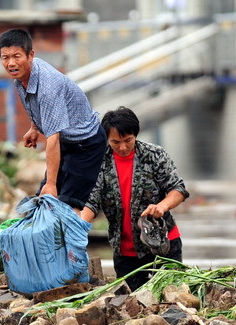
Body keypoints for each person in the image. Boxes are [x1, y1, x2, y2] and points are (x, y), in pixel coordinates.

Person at [80, 107, 189, 291]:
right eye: (115, 142)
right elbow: (92, 201)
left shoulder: (154, 155)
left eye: (127, 141)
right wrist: (78, 229)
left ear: (135, 135)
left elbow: (178, 189)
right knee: (132, 305)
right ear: (107, 139)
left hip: (163, 245)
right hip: (125, 253)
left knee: (171, 301)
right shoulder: (100, 162)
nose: (122, 147)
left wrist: (161, 207)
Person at [0, 28, 106, 211]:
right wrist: (34, 127)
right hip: (67, 143)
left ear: (30, 55)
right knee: (44, 203)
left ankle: (74, 238)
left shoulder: (48, 86)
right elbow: (37, 105)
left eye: (17, 56)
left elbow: (53, 139)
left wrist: (52, 183)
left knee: (66, 207)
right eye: (5, 57)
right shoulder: (22, 76)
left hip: (86, 145)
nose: (11, 63)